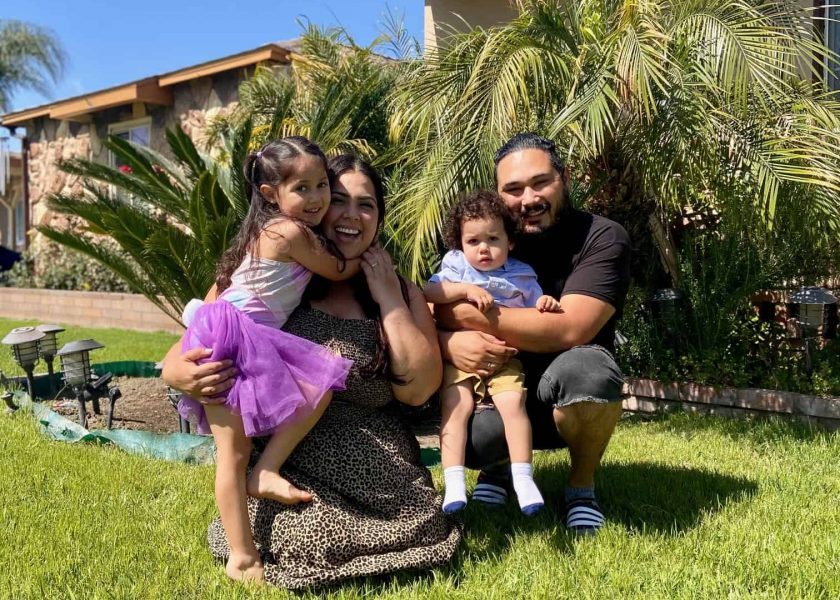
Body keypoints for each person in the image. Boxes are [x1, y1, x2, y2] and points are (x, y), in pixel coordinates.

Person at [162, 155, 461, 590]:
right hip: (290, 464)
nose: (350, 215)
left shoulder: (398, 288)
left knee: (400, 530)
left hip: (376, 464)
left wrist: (389, 299)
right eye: (338, 199)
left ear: (380, 217)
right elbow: (203, 329)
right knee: (306, 539)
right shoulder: (275, 269)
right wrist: (176, 371)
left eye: (367, 205)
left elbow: (419, 389)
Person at [171, 136, 363, 583]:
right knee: (231, 453)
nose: (316, 199)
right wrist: (364, 258)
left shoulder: (272, 230)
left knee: (317, 390)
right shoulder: (289, 232)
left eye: (322, 187)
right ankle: (242, 556)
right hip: (231, 338)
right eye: (303, 188)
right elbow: (338, 269)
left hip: (240, 334)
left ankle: (267, 470)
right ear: (270, 194)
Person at [435, 132, 630, 535]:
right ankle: (497, 470)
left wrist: (465, 317)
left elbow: (570, 328)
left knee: (589, 375)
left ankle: (581, 489)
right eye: (513, 189)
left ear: (566, 178)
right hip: (498, 385)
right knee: (473, 436)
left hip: (563, 386)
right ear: (498, 196)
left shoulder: (602, 237)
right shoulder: (485, 242)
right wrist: (448, 342)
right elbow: (424, 306)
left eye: (541, 182)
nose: (528, 199)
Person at [424, 190, 561, 515]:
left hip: (504, 358)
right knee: (455, 407)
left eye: (493, 239)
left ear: (510, 241)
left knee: (513, 405)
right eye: (473, 241)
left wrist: (546, 303)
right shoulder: (455, 266)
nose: (483, 248)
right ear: (459, 244)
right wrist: (466, 289)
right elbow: (430, 291)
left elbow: (536, 312)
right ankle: (454, 482)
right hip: (460, 358)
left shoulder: (523, 275)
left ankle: (523, 477)